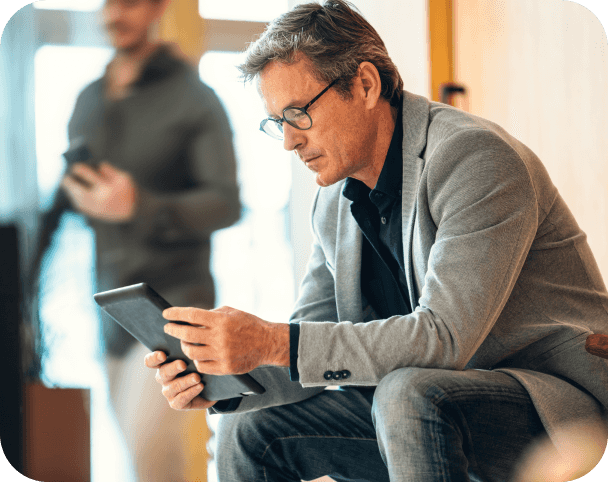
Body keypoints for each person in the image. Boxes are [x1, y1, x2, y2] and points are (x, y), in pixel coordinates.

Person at [144, 1, 608, 481]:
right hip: (419, 412)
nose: (288, 141)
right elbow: (305, 349)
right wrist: (222, 376)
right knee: (249, 428)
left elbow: (444, 340)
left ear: (365, 85)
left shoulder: (474, 159)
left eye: (299, 113)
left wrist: (270, 340)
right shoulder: (333, 202)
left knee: (406, 391)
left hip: (556, 403)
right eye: (278, 121)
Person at [31, 0, 240, 480]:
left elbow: (226, 204)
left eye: (126, 3)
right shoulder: (89, 98)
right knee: (131, 456)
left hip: (173, 307)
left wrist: (140, 206)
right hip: (108, 306)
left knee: (151, 462)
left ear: (155, 8)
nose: (112, 14)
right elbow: (69, 193)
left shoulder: (195, 97)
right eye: (106, 3)